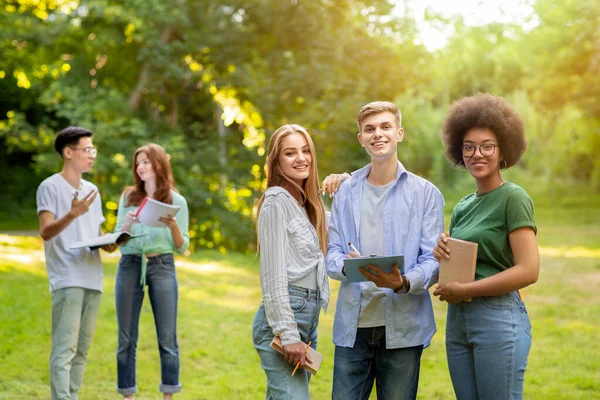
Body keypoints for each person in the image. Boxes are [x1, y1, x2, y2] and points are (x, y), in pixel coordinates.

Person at [325, 101, 445, 400]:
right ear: (361, 138)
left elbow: (433, 260)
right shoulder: (345, 191)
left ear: (399, 133)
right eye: (370, 129)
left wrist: (403, 282)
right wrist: (346, 266)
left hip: (404, 328)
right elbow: (331, 252)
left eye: (385, 127)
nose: (378, 134)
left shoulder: (425, 194)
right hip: (354, 327)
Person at [432, 93, 539, 399]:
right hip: (459, 321)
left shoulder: (513, 198)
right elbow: (466, 263)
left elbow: (529, 270)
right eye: (468, 147)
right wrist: (443, 253)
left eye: (487, 146)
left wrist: (465, 291)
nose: (477, 154)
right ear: (459, 151)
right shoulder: (464, 205)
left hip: (498, 318)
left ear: (503, 149)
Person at [36, 126, 117, 400]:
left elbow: (95, 235)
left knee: (82, 351)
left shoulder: (92, 190)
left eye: (93, 150)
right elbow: (46, 231)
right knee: (64, 350)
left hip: (93, 277)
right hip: (67, 277)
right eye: (87, 150)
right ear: (68, 153)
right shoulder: (49, 187)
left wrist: (114, 240)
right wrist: (72, 214)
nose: (92, 156)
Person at [252, 124, 330, 399]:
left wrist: (346, 179)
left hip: (307, 319)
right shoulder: (275, 202)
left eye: (305, 150)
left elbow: (343, 233)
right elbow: (272, 278)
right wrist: (288, 334)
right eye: (290, 153)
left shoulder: (307, 206)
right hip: (284, 322)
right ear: (276, 162)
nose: (301, 158)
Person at [113, 143, 189, 400]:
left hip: (162, 266)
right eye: (138, 163)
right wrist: (126, 224)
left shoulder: (176, 201)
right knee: (125, 338)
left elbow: (182, 246)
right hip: (130, 264)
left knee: (167, 338)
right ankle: (128, 395)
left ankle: (168, 395)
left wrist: (174, 226)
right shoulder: (128, 197)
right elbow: (116, 241)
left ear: (159, 164)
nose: (141, 167)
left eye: (146, 162)